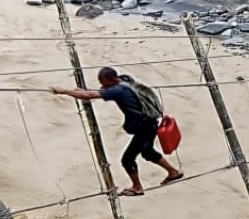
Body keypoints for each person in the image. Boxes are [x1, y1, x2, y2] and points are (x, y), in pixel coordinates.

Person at [51, 67, 182, 197]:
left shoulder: (119, 90)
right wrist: (82, 91)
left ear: (111, 79)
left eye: (104, 83)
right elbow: (96, 92)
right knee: (148, 152)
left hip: (145, 127)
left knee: (127, 159)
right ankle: (173, 172)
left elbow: (90, 95)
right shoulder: (125, 80)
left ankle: (137, 187)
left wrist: (64, 91)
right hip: (150, 123)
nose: (103, 86)